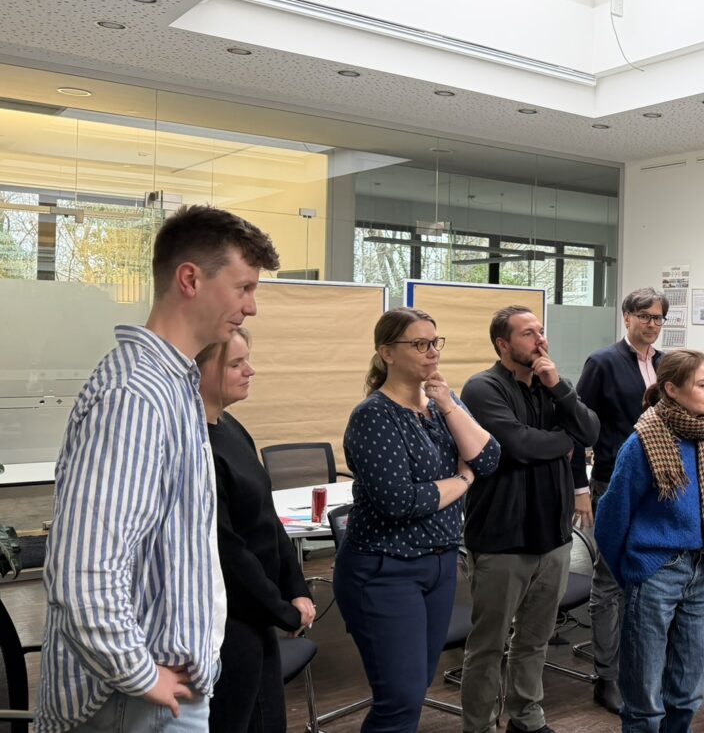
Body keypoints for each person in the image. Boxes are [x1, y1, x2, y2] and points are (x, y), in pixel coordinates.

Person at [39, 205, 279, 732]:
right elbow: (83, 568)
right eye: (243, 287)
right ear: (190, 279)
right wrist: (138, 673)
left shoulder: (174, 387)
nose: (251, 307)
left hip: (162, 690)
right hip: (134, 699)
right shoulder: (135, 395)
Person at [337, 308, 500, 733]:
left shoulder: (443, 402)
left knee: (416, 686)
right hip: (385, 569)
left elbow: (488, 457)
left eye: (435, 342)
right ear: (387, 352)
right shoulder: (374, 415)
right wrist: (463, 480)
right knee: (400, 698)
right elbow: (401, 501)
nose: (432, 353)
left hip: (440, 564)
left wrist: (447, 404)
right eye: (420, 344)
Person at [459, 306, 600, 733]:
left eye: (541, 331)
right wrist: (564, 442)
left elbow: (591, 433)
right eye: (527, 334)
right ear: (503, 344)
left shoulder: (552, 386)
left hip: (554, 537)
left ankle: (525, 715)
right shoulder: (482, 389)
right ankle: (480, 726)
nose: (540, 340)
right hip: (502, 539)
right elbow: (516, 445)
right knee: (488, 645)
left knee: (535, 639)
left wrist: (559, 388)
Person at [594, 350, 704, 733]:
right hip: (656, 572)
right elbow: (609, 520)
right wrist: (636, 572)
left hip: (700, 570)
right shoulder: (642, 443)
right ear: (671, 389)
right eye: (703, 385)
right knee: (644, 703)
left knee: (687, 694)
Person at [196, 327, 314, 733]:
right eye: (235, 363)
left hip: (259, 618)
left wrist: (296, 587)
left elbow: (269, 519)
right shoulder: (197, 447)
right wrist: (282, 610)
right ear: (198, 370)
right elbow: (228, 552)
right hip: (229, 626)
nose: (250, 370)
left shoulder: (232, 428)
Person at [572, 287, 668, 713]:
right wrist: (580, 489)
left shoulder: (666, 365)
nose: (652, 324)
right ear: (626, 318)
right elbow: (577, 428)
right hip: (613, 482)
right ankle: (605, 676)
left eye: (659, 318)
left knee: (645, 579)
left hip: (658, 486)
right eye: (645, 316)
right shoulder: (603, 363)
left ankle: (638, 665)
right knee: (608, 582)